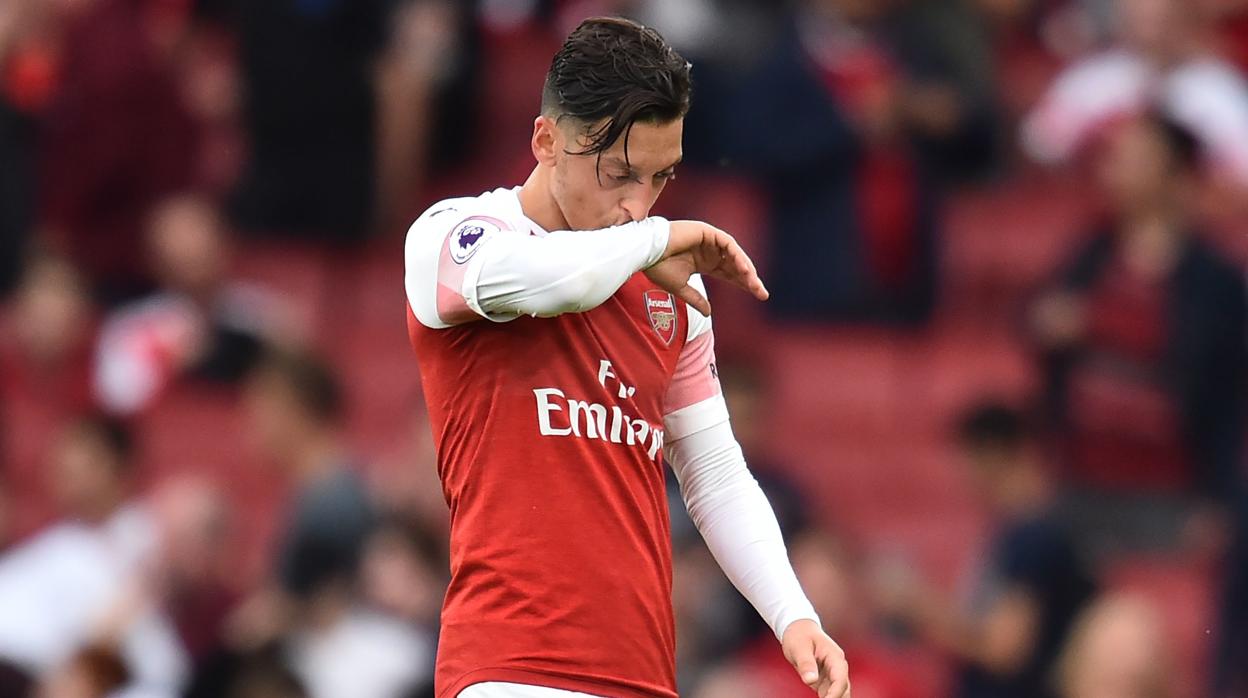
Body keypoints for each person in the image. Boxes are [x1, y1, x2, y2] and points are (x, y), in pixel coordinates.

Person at [403, 16, 848, 698]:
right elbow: (558, 281)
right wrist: (659, 240)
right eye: (620, 174)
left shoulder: (667, 281)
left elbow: (715, 474)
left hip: (642, 675)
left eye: (662, 177)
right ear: (546, 141)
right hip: (509, 671)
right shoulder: (456, 240)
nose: (637, 206)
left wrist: (792, 613)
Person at [1029, 112, 1246, 555]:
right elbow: (1038, 325)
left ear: (1178, 177)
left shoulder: (1217, 280)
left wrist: (1218, 499)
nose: (1116, 172)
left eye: (1134, 159)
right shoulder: (1091, 254)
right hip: (1080, 482)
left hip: (1168, 494)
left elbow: (1226, 396)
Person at [875, 402, 1097, 698]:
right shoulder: (1016, 532)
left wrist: (917, 605)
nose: (961, 473)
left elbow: (1004, 649)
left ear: (992, 453)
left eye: (966, 457)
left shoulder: (1037, 536)